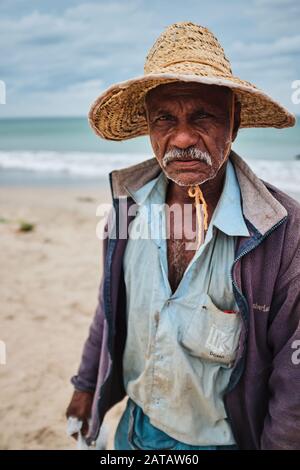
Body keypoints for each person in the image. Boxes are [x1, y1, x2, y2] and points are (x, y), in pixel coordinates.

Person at [66, 22, 300, 450]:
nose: (184, 137)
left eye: (203, 116)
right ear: (149, 127)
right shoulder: (127, 208)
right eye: (165, 119)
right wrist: (85, 387)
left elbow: (294, 383)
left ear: (235, 121)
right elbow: (110, 305)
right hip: (132, 428)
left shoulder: (284, 235)